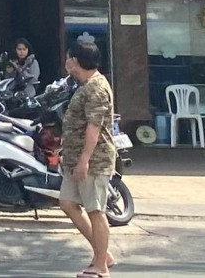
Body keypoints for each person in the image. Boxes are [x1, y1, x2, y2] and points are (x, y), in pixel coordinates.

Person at [59, 42, 116, 278]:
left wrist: (84, 160)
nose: (66, 61)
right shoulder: (84, 85)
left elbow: (94, 128)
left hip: (94, 160)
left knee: (95, 210)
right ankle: (103, 253)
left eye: (69, 58)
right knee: (67, 203)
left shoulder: (96, 88)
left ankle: (101, 266)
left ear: (76, 60)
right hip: (75, 160)